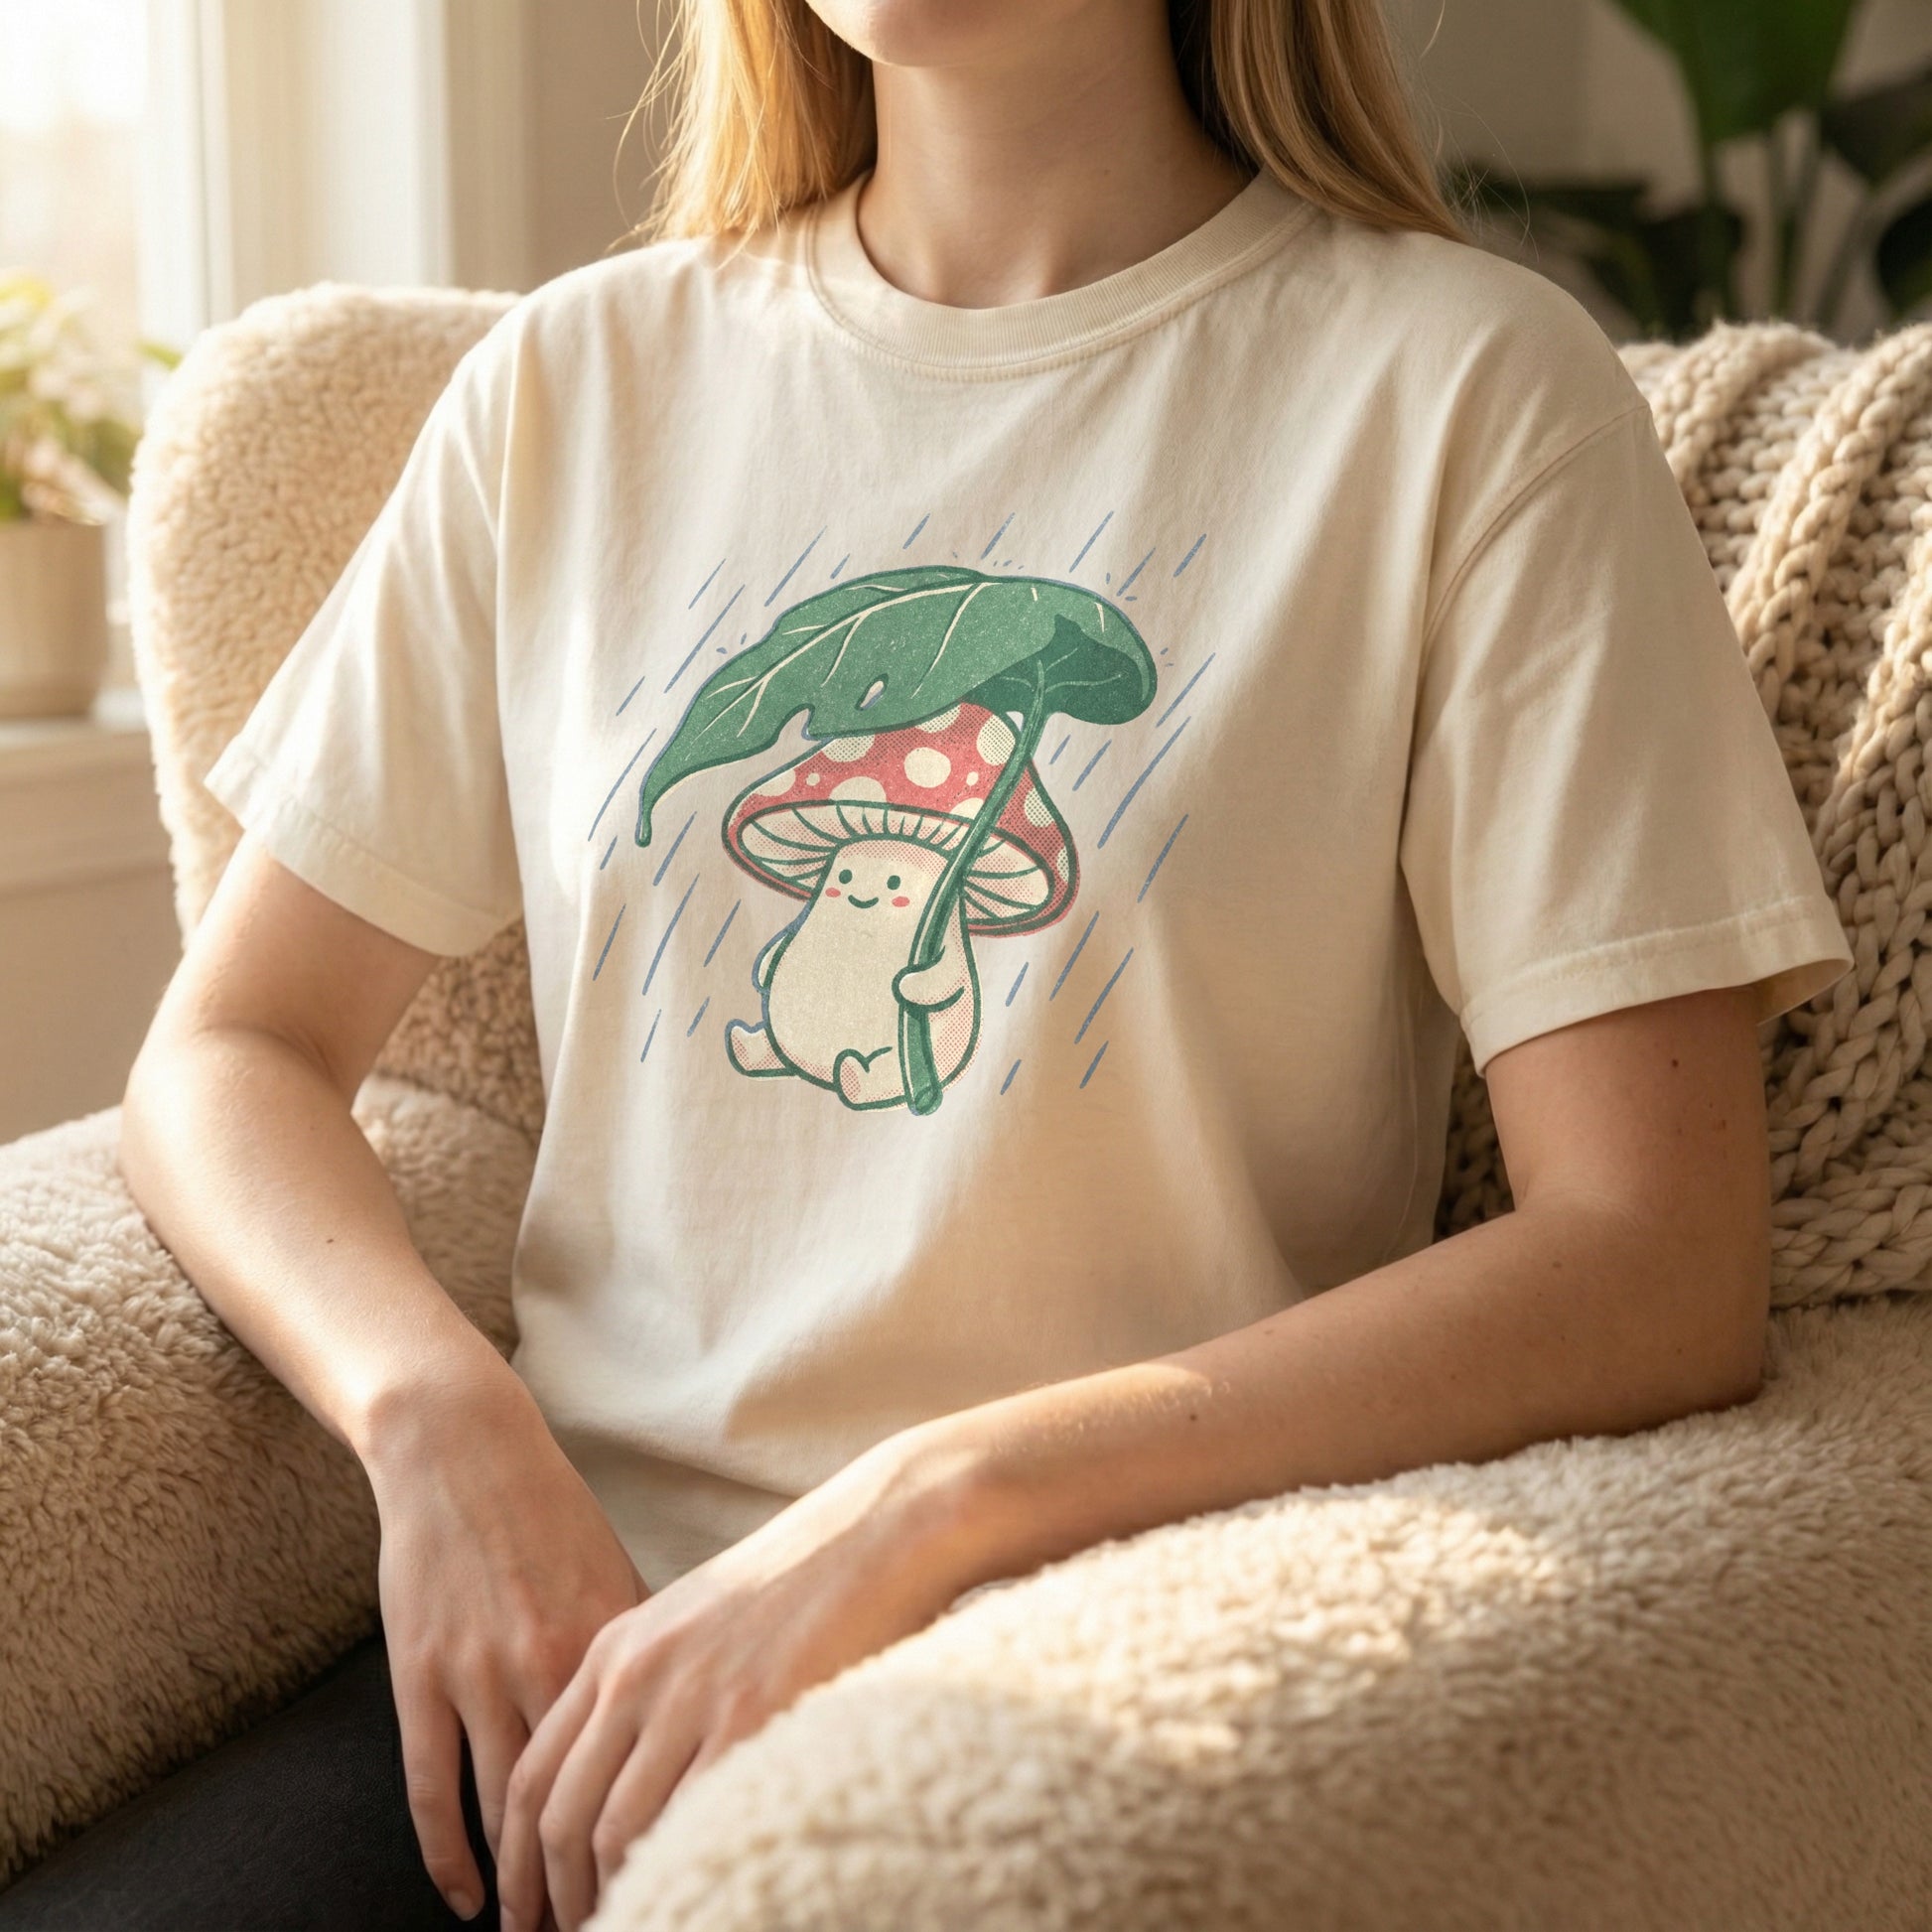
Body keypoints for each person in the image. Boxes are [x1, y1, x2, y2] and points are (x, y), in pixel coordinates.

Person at [0, 0, 1856, 1927]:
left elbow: (1656, 1253)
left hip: (1098, 1657)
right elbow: (231, 1048)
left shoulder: (1464, 393)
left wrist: (924, 1501)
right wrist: (439, 1425)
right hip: (563, 1657)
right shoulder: (572, 389)